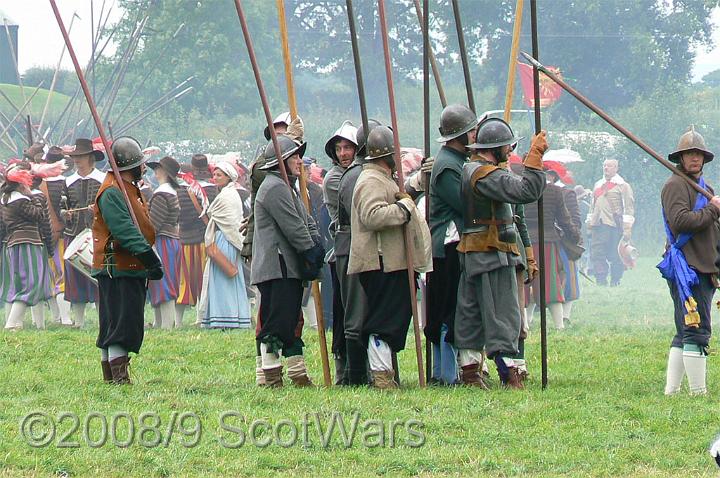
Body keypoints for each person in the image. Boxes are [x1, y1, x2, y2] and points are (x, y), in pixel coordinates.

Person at [454, 118, 547, 389]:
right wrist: (535, 157)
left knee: (471, 316)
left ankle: (471, 372)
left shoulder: (473, 169)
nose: (509, 152)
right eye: (506, 147)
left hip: (478, 251)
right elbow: (526, 190)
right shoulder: (486, 174)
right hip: (491, 253)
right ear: (493, 148)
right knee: (502, 317)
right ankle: (509, 374)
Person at [348, 125, 431, 389]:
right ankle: (381, 374)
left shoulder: (383, 177)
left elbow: (399, 197)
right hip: (380, 261)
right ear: (386, 155)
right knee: (383, 321)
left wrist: (415, 187)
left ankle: (384, 372)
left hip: (390, 261)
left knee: (392, 317)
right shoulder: (371, 180)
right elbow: (372, 216)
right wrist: (403, 208)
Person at [251, 134, 324, 387]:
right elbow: (294, 227)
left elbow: (306, 220)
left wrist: (316, 243)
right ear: (280, 160)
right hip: (276, 265)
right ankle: (271, 376)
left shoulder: (286, 186)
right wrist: (310, 250)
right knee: (277, 323)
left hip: (287, 265)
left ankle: (297, 372)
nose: (298, 160)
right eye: (293, 156)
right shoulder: (274, 187)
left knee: (291, 320)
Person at [92, 137, 163, 384]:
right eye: (140, 164)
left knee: (117, 321)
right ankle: (118, 379)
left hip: (128, 266)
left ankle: (113, 377)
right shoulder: (112, 191)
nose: (144, 167)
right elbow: (125, 231)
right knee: (119, 324)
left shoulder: (125, 187)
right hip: (120, 267)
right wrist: (149, 258)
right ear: (130, 166)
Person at [660, 126, 720, 396]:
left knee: (686, 330)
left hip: (704, 265)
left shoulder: (705, 188)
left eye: (698, 154)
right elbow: (681, 222)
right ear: (681, 158)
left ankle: (671, 391)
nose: (694, 158)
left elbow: (712, 228)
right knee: (696, 330)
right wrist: (713, 208)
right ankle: (698, 392)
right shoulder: (675, 185)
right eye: (689, 154)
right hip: (688, 268)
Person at [426, 104, 478, 386]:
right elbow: (466, 204)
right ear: (461, 134)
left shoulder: (456, 161)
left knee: (451, 310)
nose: (475, 135)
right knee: (447, 312)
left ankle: (447, 371)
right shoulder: (447, 165)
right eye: (471, 131)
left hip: (453, 244)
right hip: (447, 246)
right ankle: (445, 373)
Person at [336, 119, 382, 386]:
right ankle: (355, 376)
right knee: (355, 315)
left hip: (360, 247)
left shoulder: (364, 172)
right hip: (352, 246)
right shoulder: (357, 175)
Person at [322, 120, 358, 383]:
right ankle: (343, 370)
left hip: (362, 250)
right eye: (339, 148)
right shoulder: (335, 179)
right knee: (344, 314)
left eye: (348, 147)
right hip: (343, 250)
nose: (343, 153)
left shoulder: (359, 172)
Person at [197, 162, 251, 329]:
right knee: (220, 278)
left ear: (228, 177)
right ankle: (223, 317)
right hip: (221, 238)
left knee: (226, 278)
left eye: (219, 175)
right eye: (215, 174)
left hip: (226, 240)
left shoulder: (229, 195)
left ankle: (228, 318)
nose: (215, 178)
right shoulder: (226, 194)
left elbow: (231, 221)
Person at [1, 163, 55, 330]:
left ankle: (15, 323)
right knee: (30, 285)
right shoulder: (21, 201)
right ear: (20, 183)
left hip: (13, 244)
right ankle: (11, 324)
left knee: (16, 286)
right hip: (26, 244)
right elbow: (38, 215)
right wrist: (34, 197)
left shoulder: (7, 199)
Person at [62, 138, 105, 327]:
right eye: (75, 157)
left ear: (90, 157)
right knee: (75, 280)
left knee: (98, 277)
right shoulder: (68, 182)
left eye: (80, 157)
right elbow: (61, 208)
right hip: (74, 234)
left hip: (96, 234)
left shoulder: (103, 180)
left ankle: (102, 321)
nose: (77, 160)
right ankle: (78, 322)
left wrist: (97, 209)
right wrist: (67, 214)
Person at [176, 154, 219, 324]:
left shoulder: (182, 189)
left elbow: (181, 216)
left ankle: (178, 322)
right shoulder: (212, 189)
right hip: (205, 239)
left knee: (184, 282)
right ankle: (201, 319)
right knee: (204, 280)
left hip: (186, 239)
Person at [147, 156, 182, 329]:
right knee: (162, 280)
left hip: (163, 241)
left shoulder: (162, 193)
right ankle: (160, 323)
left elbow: (153, 224)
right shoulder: (171, 192)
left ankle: (167, 325)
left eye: (158, 168)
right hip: (172, 240)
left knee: (163, 281)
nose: (155, 171)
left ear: (164, 172)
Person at [40, 146, 73, 326]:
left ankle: (57, 317)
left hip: (43, 236)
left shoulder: (40, 183)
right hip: (60, 235)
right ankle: (64, 318)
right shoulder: (64, 184)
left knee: (51, 276)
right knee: (62, 278)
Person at [588, 158, 634, 286]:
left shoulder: (623, 186)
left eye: (609, 166)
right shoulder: (598, 185)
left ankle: (615, 280)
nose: (606, 168)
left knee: (616, 255)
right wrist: (590, 222)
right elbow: (592, 206)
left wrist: (627, 228)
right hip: (598, 226)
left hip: (615, 226)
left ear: (616, 168)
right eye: (604, 166)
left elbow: (628, 207)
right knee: (597, 253)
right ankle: (601, 280)